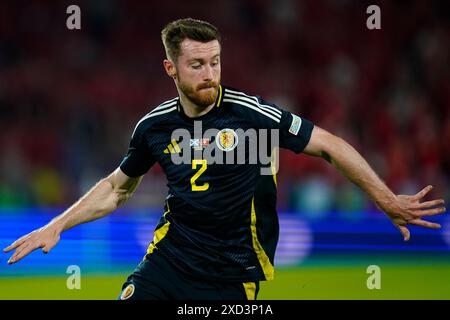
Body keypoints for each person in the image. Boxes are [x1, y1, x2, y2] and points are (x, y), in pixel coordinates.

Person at [3, 18, 446, 300]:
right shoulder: (153, 127)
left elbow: (330, 145)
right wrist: (55, 224)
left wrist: (386, 198)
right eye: (197, 65)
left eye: (215, 62)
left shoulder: (251, 114)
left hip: (234, 272)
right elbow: (119, 187)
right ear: (170, 69)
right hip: (169, 261)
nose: (210, 74)